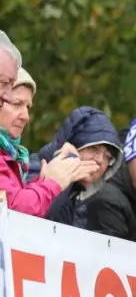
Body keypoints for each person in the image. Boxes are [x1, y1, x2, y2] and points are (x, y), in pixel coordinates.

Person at [0, 56, 98, 216]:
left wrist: (43, 182)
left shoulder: (14, 157)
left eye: (28, 107)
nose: (26, 116)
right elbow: (11, 212)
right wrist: (53, 183)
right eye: (17, 104)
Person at [28, 106, 124, 227]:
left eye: (108, 157)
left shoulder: (79, 201)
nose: (100, 160)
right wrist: (66, 171)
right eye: (93, 148)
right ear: (70, 146)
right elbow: (32, 222)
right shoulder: (34, 171)